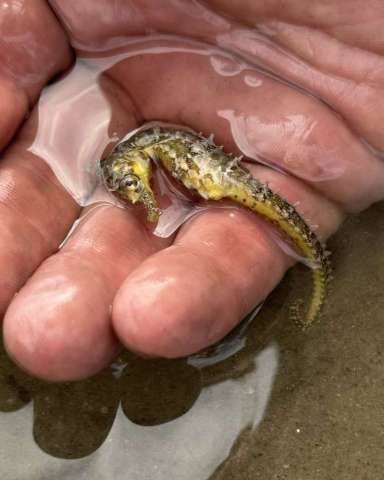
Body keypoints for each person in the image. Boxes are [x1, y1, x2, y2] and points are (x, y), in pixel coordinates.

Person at [1, 0, 383, 381]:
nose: (140, 196)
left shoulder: (143, 162)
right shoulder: (132, 162)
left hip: (212, 168)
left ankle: (316, 275)